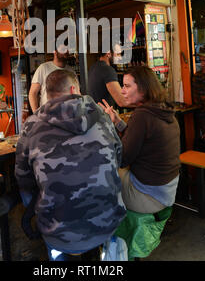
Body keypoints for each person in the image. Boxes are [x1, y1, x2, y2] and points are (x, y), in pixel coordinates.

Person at [15, 69, 126, 261]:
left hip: (59, 233)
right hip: (108, 222)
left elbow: (22, 177)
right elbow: (118, 156)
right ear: (74, 88)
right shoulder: (102, 117)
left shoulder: (31, 126)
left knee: (29, 192)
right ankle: (106, 251)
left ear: (47, 94)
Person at [99, 66, 180, 214]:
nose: (122, 91)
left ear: (143, 89)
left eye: (127, 86)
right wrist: (118, 122)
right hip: (167, 190)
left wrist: (106, 133)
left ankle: (106, 230)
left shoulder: (142, 115)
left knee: (102, 177)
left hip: (149, 196)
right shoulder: (163, 109)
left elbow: (123, 159)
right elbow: (142, 139)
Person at [28, 44, 74, 113]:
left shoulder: (71, 71)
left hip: (67, 115)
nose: (66, 52)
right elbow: (32, 93)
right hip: (48, 115)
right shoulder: (43, 68)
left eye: (67, 49)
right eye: (63, 49)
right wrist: (36, 114)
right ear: (54, 52)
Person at [88, 40, 126, 108]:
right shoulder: (108, 70)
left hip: (95, 114)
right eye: (118, 54)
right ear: (108, 53)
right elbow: (122, 101)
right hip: (105, 116)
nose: (120, 58)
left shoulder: (93, 67)